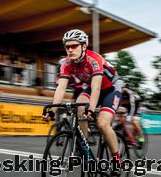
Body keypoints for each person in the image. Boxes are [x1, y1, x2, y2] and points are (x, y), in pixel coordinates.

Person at [43, 29, 122, 162]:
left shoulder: (94, 59)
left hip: (111, 89)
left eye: (74, 46)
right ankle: (85, 148)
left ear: (84, 46)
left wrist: (91, 109)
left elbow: (97, 87)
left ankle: (116, 158)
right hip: (92, 88)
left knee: (102, 124)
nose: (70, 50)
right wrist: (52, 110)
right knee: (79, 106)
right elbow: (61, 88)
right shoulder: (66, 63)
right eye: (67, 47)